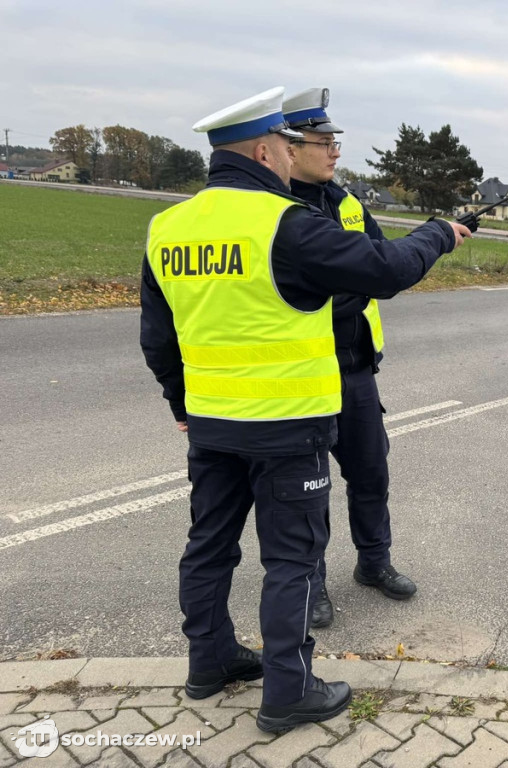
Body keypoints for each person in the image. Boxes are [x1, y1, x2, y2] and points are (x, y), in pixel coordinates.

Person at [140, 87, 470, 733]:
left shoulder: (168, 227)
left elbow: (158, 334)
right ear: (265, 150)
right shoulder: (283, 223)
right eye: (290, 147)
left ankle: (210, 663)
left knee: (208, 547)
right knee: (290, 560)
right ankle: (288, 691)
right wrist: (437, 234)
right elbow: (384, 267)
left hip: (211, 421)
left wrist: (182, 402)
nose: (295, 158)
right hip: (288, 425)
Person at [281, 88, 411, 631]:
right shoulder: (279, 209)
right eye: (322, 141)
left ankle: (374, 563)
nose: (334, 151)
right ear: (288, 146)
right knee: (309, 491)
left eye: (336, 141)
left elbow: (381, 262)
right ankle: (312, 586)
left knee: (370, 474)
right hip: (304, 377)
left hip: (355, 372)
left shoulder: (348, 203)